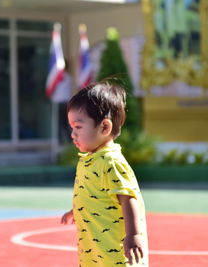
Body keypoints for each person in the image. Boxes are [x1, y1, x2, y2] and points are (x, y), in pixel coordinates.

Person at [61, 81, 149, 266]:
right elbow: (93, 194)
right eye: (71, 128)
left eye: (78, 127)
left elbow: (128, 198)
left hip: (114, 253)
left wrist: (133, 235)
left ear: (104, 128)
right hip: (94, 249)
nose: (72, 134)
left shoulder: (111, 162)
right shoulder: (89, 159)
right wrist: (76, 211)